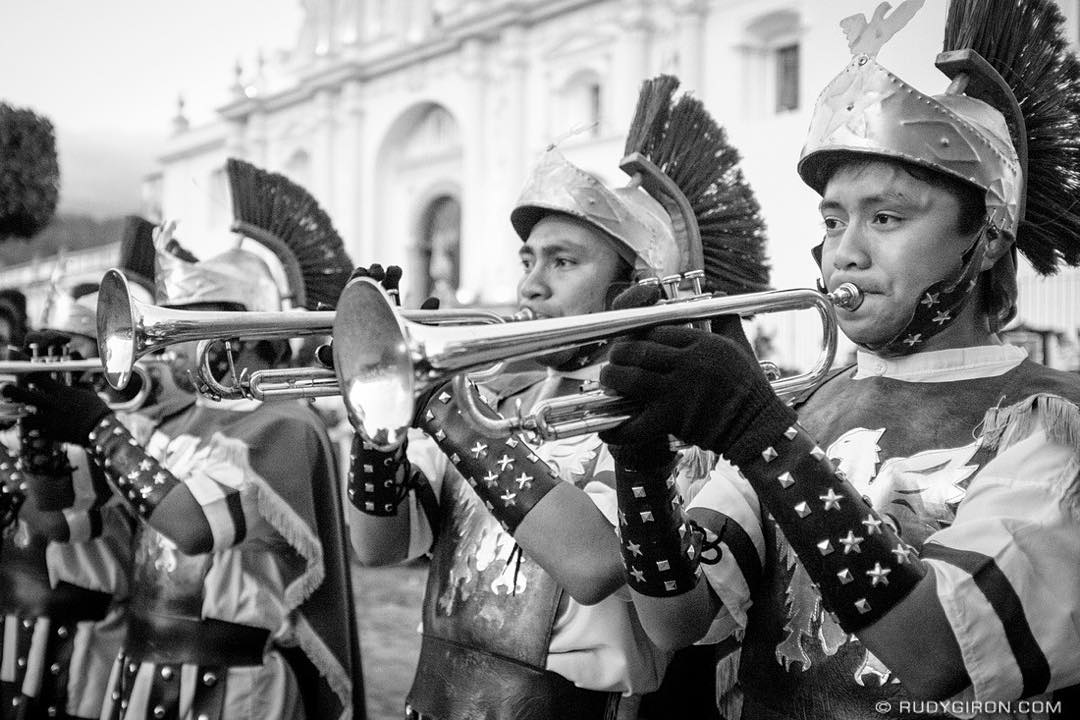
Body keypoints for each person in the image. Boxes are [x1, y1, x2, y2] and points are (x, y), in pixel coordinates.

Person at [597, 1, 1080, 717]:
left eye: (887, 217)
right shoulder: (805, 407)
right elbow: (675, 622)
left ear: (986, 241)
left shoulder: (1052, 418)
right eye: (832, 220)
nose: (843, 251)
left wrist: (758, 433)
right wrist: (641, 470)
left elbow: (938, 654)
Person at [344, 76, 769, 720]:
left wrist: (438, 405)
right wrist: (378, 421)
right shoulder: (496, 401)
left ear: (638, 286)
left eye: (563, 262)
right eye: (527, 261)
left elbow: (594, 563)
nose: (531, 287)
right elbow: (378, 546)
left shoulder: (684, 431)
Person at [3, 221, 362, 720]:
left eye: (183, 322)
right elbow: (63, 511)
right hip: (143, 671)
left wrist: (98, 428)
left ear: (235, 331)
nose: (164, 343)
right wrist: (43, 422)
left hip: (232, 687)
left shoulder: (286, 425)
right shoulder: (182, 420)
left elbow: (192, 527)